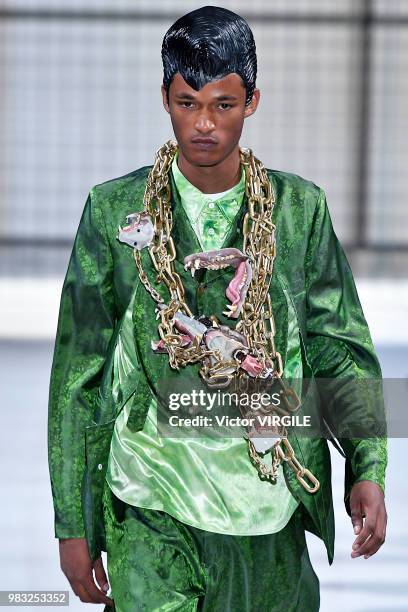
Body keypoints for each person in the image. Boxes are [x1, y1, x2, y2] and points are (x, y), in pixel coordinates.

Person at [48, 6, 388, 611]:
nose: (204, 123)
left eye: (223, 105)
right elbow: (79, 368)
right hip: (148, 497)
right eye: (187, 103)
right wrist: (73, 520)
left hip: (267, 507)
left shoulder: (297, 210)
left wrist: (368, 465)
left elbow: (339, 344)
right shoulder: (112, 210)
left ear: (252, 101)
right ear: (165, 98)